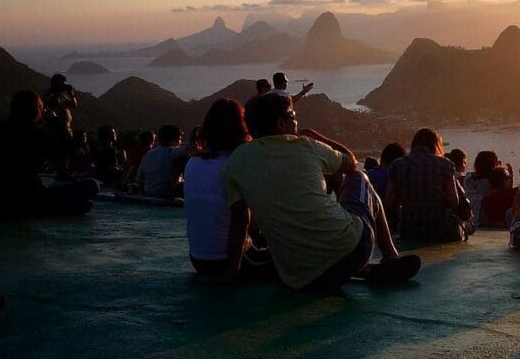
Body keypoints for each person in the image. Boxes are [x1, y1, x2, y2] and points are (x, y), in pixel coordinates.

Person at [218, 93, 420, 288]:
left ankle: (367, 271)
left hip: (297, 276)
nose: (296, 122)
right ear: (281, 124)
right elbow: (351, 164)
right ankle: (391, 257)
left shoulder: (237, 161)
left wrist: (231, 273)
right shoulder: (306, 146)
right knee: (359, 178)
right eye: (293, 116)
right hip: (352, 252)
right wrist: (314, 136)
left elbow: (240, 221)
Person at [184, 99, 272, 280]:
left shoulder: (192, 163)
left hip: (198, 259)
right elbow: (242, 220)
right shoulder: (236, 165)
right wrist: (232, 272)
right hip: (227, 261)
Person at [0, 91, 98, 217]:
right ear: (37, 109)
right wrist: (62, 123)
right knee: (92, 186)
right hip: (29, 199)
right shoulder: (36, 134)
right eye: (41, 107)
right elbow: (67, 151)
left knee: (84, 204)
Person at [387, 128, 470, 242]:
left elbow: (389, 202)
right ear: (436, 145)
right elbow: (454, 201)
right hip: (442, 229)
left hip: (409, 230)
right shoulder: (445, 164)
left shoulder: (397, 165)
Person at [136, 125, 192, 198]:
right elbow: (190, 148)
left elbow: (139, 179)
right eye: (180, 139)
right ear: (173, 139)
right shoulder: (171, 152)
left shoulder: (148, 154)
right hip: (165, 192)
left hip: (148, 192)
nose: (180, 142)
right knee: (184, 158)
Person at [462, 151, 511, 224]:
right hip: (487, 212)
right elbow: (506, 189)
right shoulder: (493, 178)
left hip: (470, 210)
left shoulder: (469, 177)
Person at [44, 74, 77, 178]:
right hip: (57, 129)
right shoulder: (49, 94)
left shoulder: (62, 95)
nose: (64, 86)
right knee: (60, 154)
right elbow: (51, 103)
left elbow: (74, 105)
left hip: (66, 129)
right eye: (62, 83)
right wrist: (58, 92)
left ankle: (66, 172)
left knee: (68, 153)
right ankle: (60, 173)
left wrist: (72, 94)